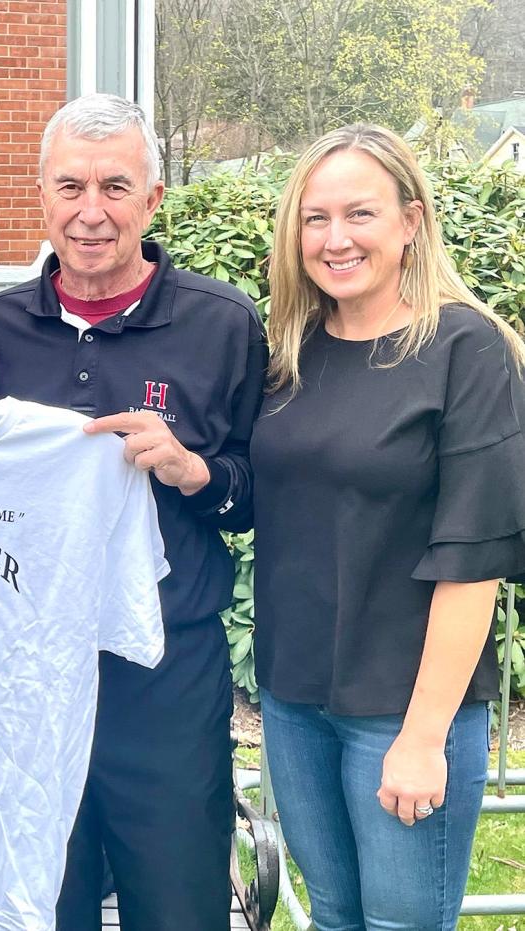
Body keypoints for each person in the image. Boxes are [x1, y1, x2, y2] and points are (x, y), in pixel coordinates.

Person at [0, 93, 267, 931]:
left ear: (154, 199)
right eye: (69, 187)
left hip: (168, 673)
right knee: (39, 906)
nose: (90, 212)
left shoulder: (223, 325)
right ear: (41, 195)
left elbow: (257, 495)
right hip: (32, 671)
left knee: (178, 905)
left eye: (114, 187)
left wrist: (192, 471)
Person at [252, 123, 525, 930]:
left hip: (403, 709)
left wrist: (424, 735)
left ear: (411, 221)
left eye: (359, 214)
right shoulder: (291, 350)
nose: (335, 239)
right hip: (294, 697)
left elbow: (473, 561)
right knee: (334, 913)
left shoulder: (465, 350)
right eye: (315, 217)